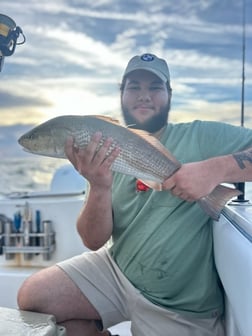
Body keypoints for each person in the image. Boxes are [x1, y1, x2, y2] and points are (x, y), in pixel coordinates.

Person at [17, 53, 252, 336]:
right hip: (117, 272)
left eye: (155, 87)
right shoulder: (100, 145)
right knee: (34, 296)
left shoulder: (201, 136)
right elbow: (93, 241)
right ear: (121, 92)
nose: (144, 96)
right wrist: (99, 186)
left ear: (170, 94)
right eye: (134, 87)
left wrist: (217, 169)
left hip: (178, 304)